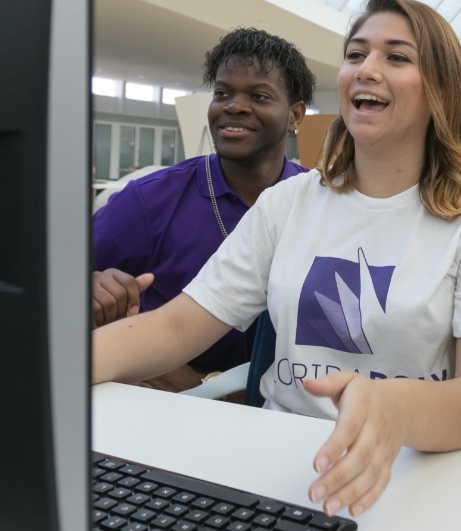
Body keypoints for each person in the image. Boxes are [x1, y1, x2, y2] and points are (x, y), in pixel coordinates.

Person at [93, 0, 461, 518]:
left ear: (441, 88)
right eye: (355, 55)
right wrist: (57, 368)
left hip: (413, 475)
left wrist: (396, 409)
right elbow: (175, 328)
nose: (366, 70)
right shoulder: (288, 203)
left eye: (396, 57)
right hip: (279, 464)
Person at [91, 27, 315, 392]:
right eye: (223, 93)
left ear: (295, 116)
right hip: (171, 406)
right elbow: (50, 281)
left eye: (258, 95)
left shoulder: (317, 201)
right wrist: (92, 288)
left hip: (288, 410)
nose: (234, 106)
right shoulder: (151, 200)